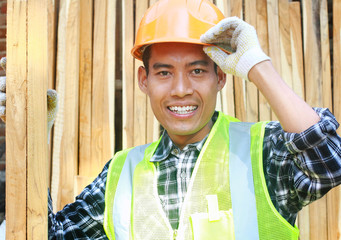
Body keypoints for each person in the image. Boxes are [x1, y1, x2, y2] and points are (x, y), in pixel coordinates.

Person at [2, 0, 341, 239]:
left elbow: (329, 162)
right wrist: (32, 137)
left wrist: (257, 65)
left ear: (221, 77)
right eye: (164, 72)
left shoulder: (265, 153)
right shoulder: (120, 175)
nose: (181, 89)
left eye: (197, 71)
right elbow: (46, 236)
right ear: (143, 80)